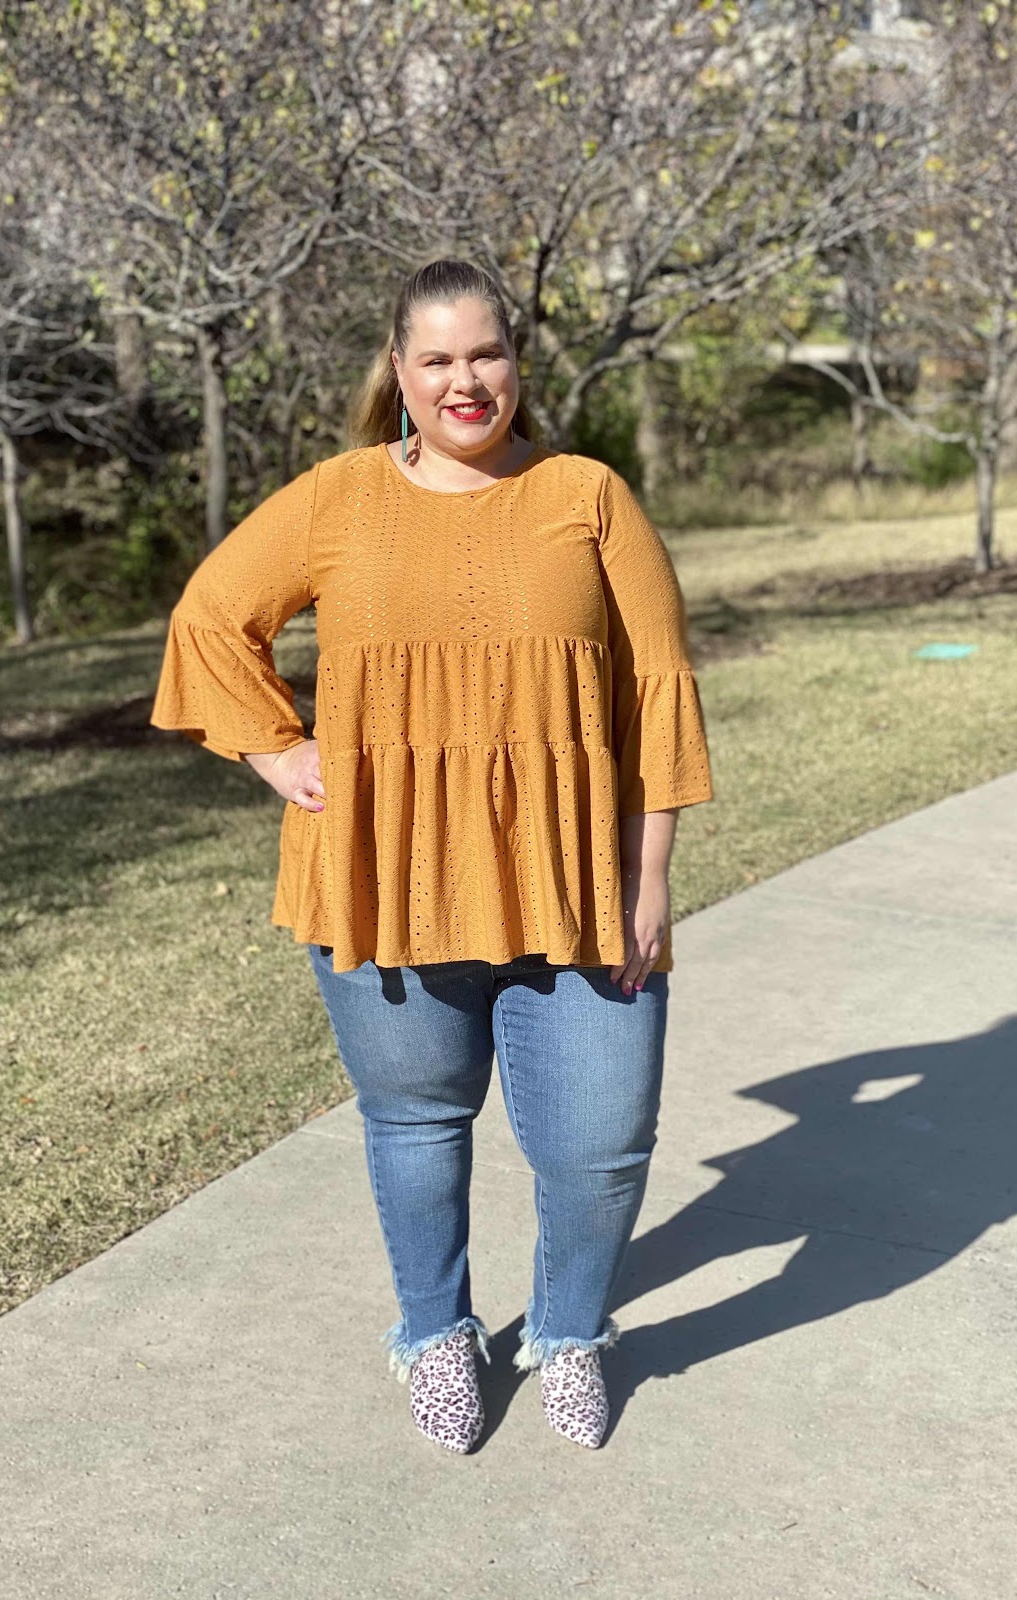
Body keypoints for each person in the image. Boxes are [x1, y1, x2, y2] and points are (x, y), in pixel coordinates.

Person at [149, 257, 714, 1453]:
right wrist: (279, 752)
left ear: (518, 361)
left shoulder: (587, 495)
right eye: (439, 359)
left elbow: (658, 689)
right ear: (400, 372)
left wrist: (649, 875)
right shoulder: (338, 498)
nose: (467, 381)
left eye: (486, 354)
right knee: (414, 1126)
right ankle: (437, 1332)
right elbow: (210, 617)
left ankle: (569, 1332)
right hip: (385, 881)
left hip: (575, 888)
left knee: (603, 1146)